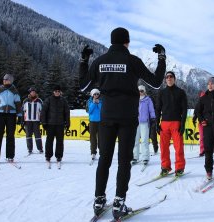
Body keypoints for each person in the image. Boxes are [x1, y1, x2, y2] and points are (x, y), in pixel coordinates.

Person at [79, 27, 166, 220]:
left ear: (112, 42)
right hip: (127, 117)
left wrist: (84, 61)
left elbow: (83, 85)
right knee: (124, 160)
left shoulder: (100, 61)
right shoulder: (132, 61)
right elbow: (157, 82)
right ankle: (119, 202)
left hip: (107, 117)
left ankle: (99, 200)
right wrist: (161, 59)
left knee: (105, 158)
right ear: (127, 42)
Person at [156, 71, 187, 177]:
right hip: (164, 123)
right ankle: (165, 167)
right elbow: (158, 109)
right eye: (167, 77)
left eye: (171, 77)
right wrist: (157, 123)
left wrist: (182, 124)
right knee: (163, 147)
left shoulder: (181, 92)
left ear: (174, 79)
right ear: (165, 79)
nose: (169, 78)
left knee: (178, 147)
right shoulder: (161, 92)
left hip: (176, 123)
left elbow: (184, 110)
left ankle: (179, 168)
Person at [0, 74, 22, 163]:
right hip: (0, 114)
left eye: (6, 79)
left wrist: (19, 116)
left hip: (11, 115)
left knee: (10, 136)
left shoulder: (14, 91)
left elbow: (18, 104)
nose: (4, 81)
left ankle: (10, 156)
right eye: (4, 79)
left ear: (11, 81)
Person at [40, 85, 70, 164]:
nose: (57, 92)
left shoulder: (63, 100)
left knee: (60, 141)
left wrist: (67, 122)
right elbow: (43, 111)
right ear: (53, 92)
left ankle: (59, 156)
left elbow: (67, 112)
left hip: (60, 124)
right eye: (55, 91)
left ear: (60, 92)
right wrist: (44, 122)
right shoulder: (48, 100)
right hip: (50, 124)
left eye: (58, 91)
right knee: (49, 141)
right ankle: (48, 156)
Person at [132, 85, 156, 165]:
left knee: (144, 140)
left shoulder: (148, 100)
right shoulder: (134, 99)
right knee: (135, 140)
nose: (140, 92)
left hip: (144, 122)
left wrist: (153, 118)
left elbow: (151, 109)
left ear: (144, 91)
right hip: (135, 122)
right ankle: (135, 157)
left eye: (142, 91)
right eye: (139, 91)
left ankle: (145, 157)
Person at [22, 87, 44, 154]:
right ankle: (30, 149)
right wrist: (22, 120)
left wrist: (42, 120)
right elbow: (22, 111)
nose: (33, 93)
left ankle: (40, 148)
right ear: (30, 93)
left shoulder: (39, 101)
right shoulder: (25, 100)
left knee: (37, 135)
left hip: (36, 120)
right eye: (32, 92)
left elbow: (42, 111)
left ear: (36, 93)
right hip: (28, 120)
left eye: (34, 92)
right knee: (28, 135)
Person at [86, 88, 102, 160]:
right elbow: (89, 111)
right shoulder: (89, 101)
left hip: (101, 121)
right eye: (95, 94)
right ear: (92, 95)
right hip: (92, 122)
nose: (96, 95)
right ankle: (93, 152)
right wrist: (93, 103)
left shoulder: (102, 101)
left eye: (97, 94)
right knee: (93, 137)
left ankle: (102, 151)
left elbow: (103, 110)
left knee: (101, 137)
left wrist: (98, 103)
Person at [192, 91, 206, 157]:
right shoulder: (198, 104)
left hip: (208, 123)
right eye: (202, 97)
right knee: (202, 137)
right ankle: (202, 150)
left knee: (209, 137)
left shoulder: (208, 103)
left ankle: (209, 150)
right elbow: (196, 113)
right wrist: (194, 120)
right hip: (201, 123)